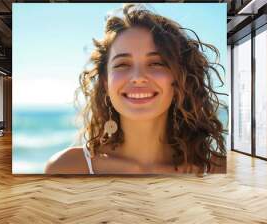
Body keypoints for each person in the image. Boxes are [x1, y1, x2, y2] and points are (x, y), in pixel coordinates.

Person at [45, 4, 227, 175]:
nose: (138, 77)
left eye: (156, 63)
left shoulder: (216, 168)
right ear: (105, 82)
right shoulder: (67, 167)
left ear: (180, 78)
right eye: (122, 64)